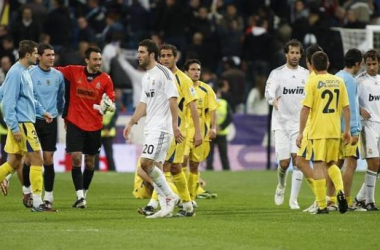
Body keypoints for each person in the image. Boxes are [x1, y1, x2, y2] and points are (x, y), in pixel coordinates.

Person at [138, 44, 202, 218]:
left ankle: (155, 204)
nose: (165, 59)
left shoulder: (183, 79)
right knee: (171, 167)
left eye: (169, 56)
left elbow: (193, 106)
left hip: (178, 130)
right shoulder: (156, 76)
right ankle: (187, 206)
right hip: (164, 129)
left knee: (164, 166)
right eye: (162, 55)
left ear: (176, 57)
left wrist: (197, 132)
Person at [123, 39, 182, 218]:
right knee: (156, 166)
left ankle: (170, 197)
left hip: (162, 128)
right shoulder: (147, 76)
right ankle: (165, 207)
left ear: (151, 55)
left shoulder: (164, 74)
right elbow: (143, 103)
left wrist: (174, 125)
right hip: (151, 127)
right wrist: (131, 122)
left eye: (141, 52)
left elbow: (173, 100)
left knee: (145, 164)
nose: (138, 55)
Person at [57, 46, 115, 208]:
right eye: (95, 59)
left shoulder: (106, 79)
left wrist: (108, 104)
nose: (98, 62)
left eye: (100, 60)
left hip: (94, 125)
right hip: (75, 122)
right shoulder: (74, 71)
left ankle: (84, 193)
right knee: (76, 157)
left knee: (90, 163)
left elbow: (111, 100)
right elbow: (54, 71)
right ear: (87, 60)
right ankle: (79, 197)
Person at [0, 40, 54, 212]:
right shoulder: (16, 73)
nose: (38, 56)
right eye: (36, 53)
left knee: (14, 163)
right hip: (22, 124)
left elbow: (28, 98)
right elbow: (8, 102)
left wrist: (42, 111)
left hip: (25, 121)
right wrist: (14, 127)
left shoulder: (24, 71)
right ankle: (38, 202)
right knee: (37, 159)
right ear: (28, 54)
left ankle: (36, 200)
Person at [296, 51, 350, 214]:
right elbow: (346, 108)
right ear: (327, 64)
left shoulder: (312, 82)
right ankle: (340, 191)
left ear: (312, 65)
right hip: (334, 130)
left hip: (318, 130)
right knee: (331, 164)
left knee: (319, 164)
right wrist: (346, 130)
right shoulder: (338, 81)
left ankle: (321, 205)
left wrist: (300, 133)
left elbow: (306, 109)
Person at [265, 39, 309, 209]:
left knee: (298, 161)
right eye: (292, 52)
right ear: (286, 54)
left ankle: (294, 200)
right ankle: (281, 185)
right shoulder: (277, 73)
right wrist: (272, 100)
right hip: (281, 124)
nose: (295, 56)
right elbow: (268, 91)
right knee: (284, 164)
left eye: (298, 53)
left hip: (299, 126)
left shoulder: (306, 74)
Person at [20, 43, 65, 209]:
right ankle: (27, 190)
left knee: (48, 159)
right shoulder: (30, 74)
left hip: (50, 121)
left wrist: (58, 113)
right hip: (32, 119)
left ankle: (49, 196)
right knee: (31, 158)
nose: (52, 58)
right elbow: (27, 96)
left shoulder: (58, 76)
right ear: (39, 56)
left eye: (53, 55)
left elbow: (61, 97)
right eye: (48, 55)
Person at [183, 59, 219, 203]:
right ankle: (183, 195)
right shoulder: (180, 88)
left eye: (198, 69)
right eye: (192, 69)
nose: (196, 72)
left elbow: (213, 110)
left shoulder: (206, 89)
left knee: (194, 166)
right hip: (184, 132)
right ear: (186, 72)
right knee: (181, 163)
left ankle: (191, 197)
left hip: (200, 133)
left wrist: (213, 127)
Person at [333, 49, 364, 211]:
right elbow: (349, 106)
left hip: (334, 128)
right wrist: (353, 130)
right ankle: (348, 201)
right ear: (358, 63)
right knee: (351, 164)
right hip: (347, 129)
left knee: (335, 165)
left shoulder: (336, 77)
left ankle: (329, 199)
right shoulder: (350, 81)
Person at [354, 49, 380, 211]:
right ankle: (370, 201)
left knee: (378, 165)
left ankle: (359, 199)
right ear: (364, 64)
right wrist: (360, 109)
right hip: (367, 126)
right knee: (373, 162)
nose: (371, 67)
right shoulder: (358, 81)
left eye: (374, 64)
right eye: (368, 64)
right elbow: (348, 101)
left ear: (379, 64)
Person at [206, 80, 233, 171]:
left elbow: (229, 118)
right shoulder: (207, 104)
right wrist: (212, 127)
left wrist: (220, 127)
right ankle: (210, 170)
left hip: (221, 133)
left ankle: (226, 170)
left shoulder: (224, 103)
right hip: (211, 132)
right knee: (210, 155)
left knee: (223, 154)